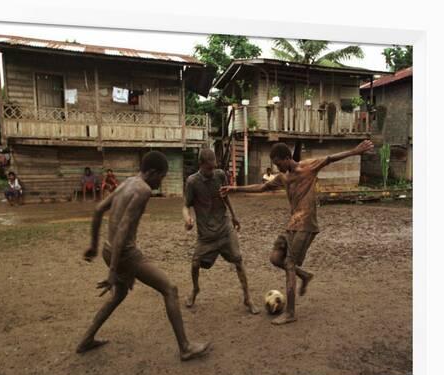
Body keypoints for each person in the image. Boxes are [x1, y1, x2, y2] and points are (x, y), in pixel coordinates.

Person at [221, 139, 374, 325]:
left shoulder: (308, 167)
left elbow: (330, 158)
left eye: (279, 163)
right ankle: (305, 276)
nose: (277, 168)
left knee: (290, 263)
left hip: (307, 224)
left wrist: (355, 151)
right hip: (292, 224)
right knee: (275, 258)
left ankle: (291, 313)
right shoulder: (283, 177)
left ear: (287, 158)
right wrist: (234, 189)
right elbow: (261, 187)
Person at [77, 151, 210, 361]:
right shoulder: (143, 190)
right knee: (170, 289)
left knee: (118, 296)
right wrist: (113, 271)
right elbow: (122, 230)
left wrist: (94, 246)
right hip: (124, 254)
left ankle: (86, 340)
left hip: (108, 249)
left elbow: (99, 209)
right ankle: (185, 347)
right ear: (153, 172)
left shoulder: (129, 182)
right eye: (162, 177)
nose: (161, 181)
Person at [183, 148, 259, 314]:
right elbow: (185, 205)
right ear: (201, 164)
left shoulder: (219, 175)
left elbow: (225, 196)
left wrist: (234, 216)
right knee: (195, 263)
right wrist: (188, 218)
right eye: (209, 168)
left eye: (214, 167)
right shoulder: (192, 182)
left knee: (238, 260)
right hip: (206, 235)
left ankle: (248, 298)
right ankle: (195, 290)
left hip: (225, 229)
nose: (212, 171)